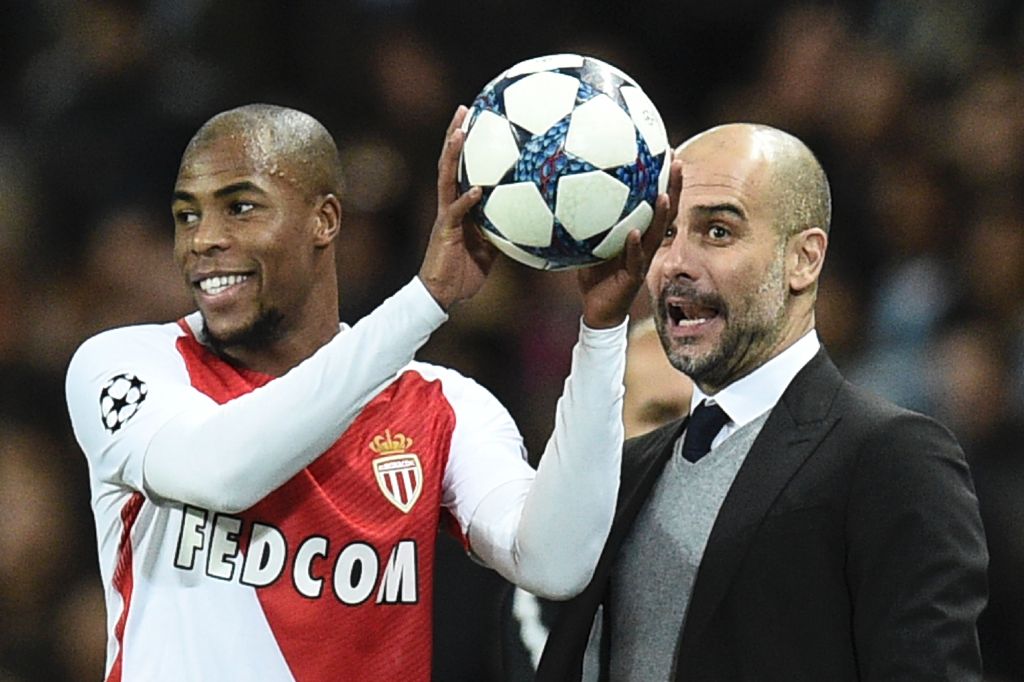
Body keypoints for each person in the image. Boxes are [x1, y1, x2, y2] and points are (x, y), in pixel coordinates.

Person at [64, 103, 679, 681]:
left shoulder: (446, 408)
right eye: (187, 215)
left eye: (241, 208)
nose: (203, 240)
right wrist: (425, 301)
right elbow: (224, 474)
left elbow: (556, 562)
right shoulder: (128, 367)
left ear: (324, 220)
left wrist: (602, 332)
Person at [536, 123, 989, 681]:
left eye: (718, 232)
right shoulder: (629, 470)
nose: (675, 261)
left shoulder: (891, 457)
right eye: (665, 233)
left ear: (804, 259)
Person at [501, 317, 692, 679]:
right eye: (660, 416)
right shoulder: (554, 578)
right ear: (606, 432)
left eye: (703, 415)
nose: (685, 436)